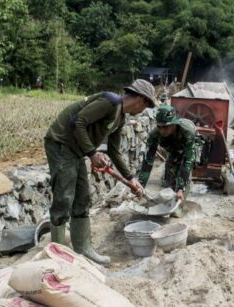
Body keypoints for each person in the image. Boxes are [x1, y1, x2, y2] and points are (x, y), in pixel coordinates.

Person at [44, 79, 156, 264]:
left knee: (82, 198)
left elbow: (114, 150)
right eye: (147, 105)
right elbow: (77, 122)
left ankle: (83, 248)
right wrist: (92, 153)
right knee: (64, 197)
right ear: (141, 100)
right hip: (61, 144)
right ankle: (56, 254)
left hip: (76, 150)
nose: (145, 110)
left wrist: (130, 178)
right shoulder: (110, 102)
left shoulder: (120, 118)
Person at [138, 105, 200, 206]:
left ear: (174, 125)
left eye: (165, 127)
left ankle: (180, 203)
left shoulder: (187, 132)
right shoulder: (154, 135)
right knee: (169, 180)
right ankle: (169, 202)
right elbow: (148, 160)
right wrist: (141, 184)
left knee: (183, 180)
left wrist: (181, 188)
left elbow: (187, 161)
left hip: (190, 147)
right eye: (159, 126)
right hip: (173, 149)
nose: (162, 130)